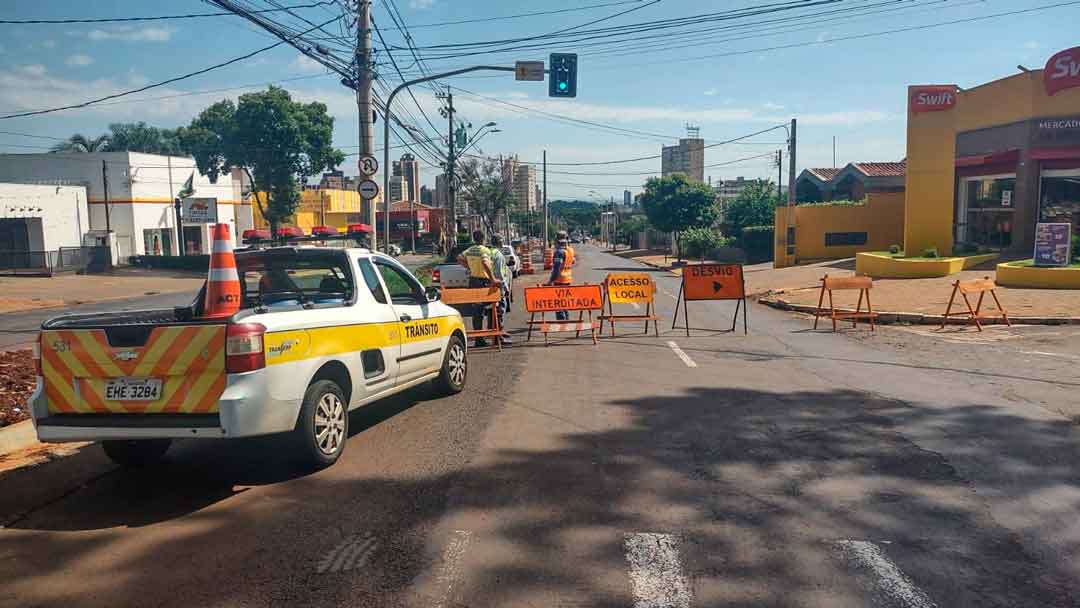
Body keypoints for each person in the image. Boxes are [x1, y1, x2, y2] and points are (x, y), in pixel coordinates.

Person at [457, 230, 501, 347]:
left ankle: (478, 339)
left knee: (477, 311)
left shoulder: (470, 250)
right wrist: (493, 279)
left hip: (473, 281)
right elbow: (486, 263)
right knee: (492, 307)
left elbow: (459, 258)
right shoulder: (484, 250)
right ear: (483, 238)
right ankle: (493, 336)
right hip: (483, 282)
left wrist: (469, 267)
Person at [546, 230, 575, 321]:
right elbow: (573, 261)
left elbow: (556, 269)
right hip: (568, 279)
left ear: (557, 240)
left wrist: (550, 281)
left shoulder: (559, 252)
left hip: (559, 280)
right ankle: (566, 318)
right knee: (564, 301)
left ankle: (561, 320)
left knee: (558, 302)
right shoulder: (570, 250)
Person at [489, 235, 513, 344]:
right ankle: (498, 337)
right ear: (499, 242)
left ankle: (494, 335)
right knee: (500, 311)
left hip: (489, 286)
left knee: (492, 311)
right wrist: (506, 287)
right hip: (498, 287)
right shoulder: (497, 255)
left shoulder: (488, 252)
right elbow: (499, 273)